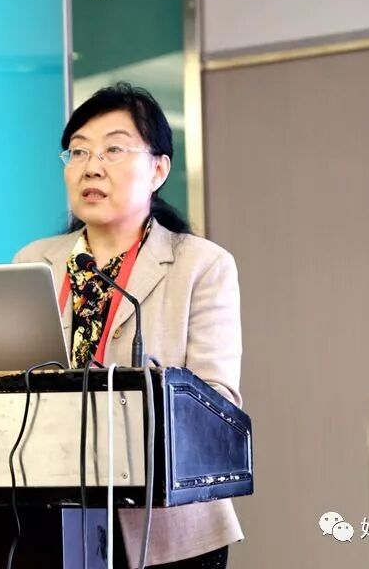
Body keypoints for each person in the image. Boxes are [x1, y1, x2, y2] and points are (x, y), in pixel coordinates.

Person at [12, 82, 243, 568]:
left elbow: (216, 402)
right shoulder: (34, 263)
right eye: (78, 151)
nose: (91, 166)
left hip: (168, 530)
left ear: (158, 169)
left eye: (114, 149)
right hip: (50, 519)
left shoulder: (200, 265)